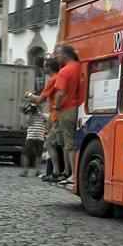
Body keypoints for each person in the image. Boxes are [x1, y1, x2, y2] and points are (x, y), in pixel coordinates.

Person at [52, 44, 84, 187]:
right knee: (71, 143)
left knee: (68, 144)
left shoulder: (64, 71)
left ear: (65, 55)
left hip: (66, 109)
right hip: (78, 107)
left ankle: (71, 174)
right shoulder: (79, 66)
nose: (56, 57)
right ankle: (68, 172)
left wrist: (56, 106)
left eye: (58, 55)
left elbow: (60, 93)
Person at [19, 103, 47, 177]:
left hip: (40, 138)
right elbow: (28, 123)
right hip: (30, 137)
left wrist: (39, 112)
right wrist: (31, 113)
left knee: (39, 155)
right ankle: (25, 171)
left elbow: (47, 119)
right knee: (26, 154)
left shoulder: (43, 115)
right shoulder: (29, 115)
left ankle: (38, 171)